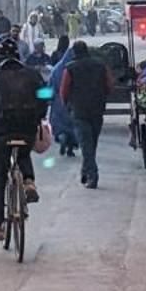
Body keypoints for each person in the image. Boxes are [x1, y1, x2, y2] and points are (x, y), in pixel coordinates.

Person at [0, 33, 49, 238]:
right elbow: (45, 94)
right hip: (26, 127)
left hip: (0, 130)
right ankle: (29, 181)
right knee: (24, 154)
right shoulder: (33, 74)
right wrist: (40, 114)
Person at [61, 39, 114, 189]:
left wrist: (66, 104)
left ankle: (92, 175)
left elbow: (64, 90)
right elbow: (110, 84)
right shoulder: (100, 65)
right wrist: (103, 95)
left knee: (86, 144)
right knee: (91, 143)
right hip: (97, 108)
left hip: (79, 110)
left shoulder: (70, 68)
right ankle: (86, 170)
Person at [49, 44, 79, 157]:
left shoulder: (56, 69)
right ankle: (70, 148)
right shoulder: (75, 68)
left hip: (58, 102)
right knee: (73, 126)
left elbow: (51, 86)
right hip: (72, 101)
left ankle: (61, 137)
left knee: (60, 124)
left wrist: (50, 99)